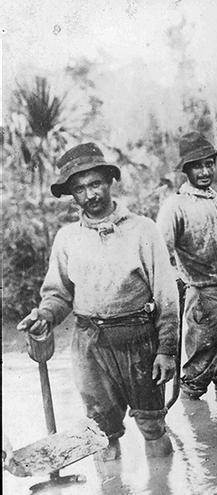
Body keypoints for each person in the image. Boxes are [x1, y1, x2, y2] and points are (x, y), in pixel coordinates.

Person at [17, 143, 178, 461]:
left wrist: (167, 350)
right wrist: (45, 316)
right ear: (71, 194)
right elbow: (59, 294)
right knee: (99, 433)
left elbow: (166, 297)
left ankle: (163, 485)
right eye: (80, 188)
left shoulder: (143, 230)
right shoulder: (67, 238)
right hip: (90, 345)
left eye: (95, 184)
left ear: (109, 181)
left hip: (139, 341)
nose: (90, 195)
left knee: (152, 425)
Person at [156, 132, 217, 400]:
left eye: (210, 164)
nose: (206, 171)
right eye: (198, 165)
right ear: (186, 170)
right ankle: (193, 421)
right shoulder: (176, 206)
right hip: (204, 296)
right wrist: (178, 281)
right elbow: (161, 253)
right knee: (198, 369)